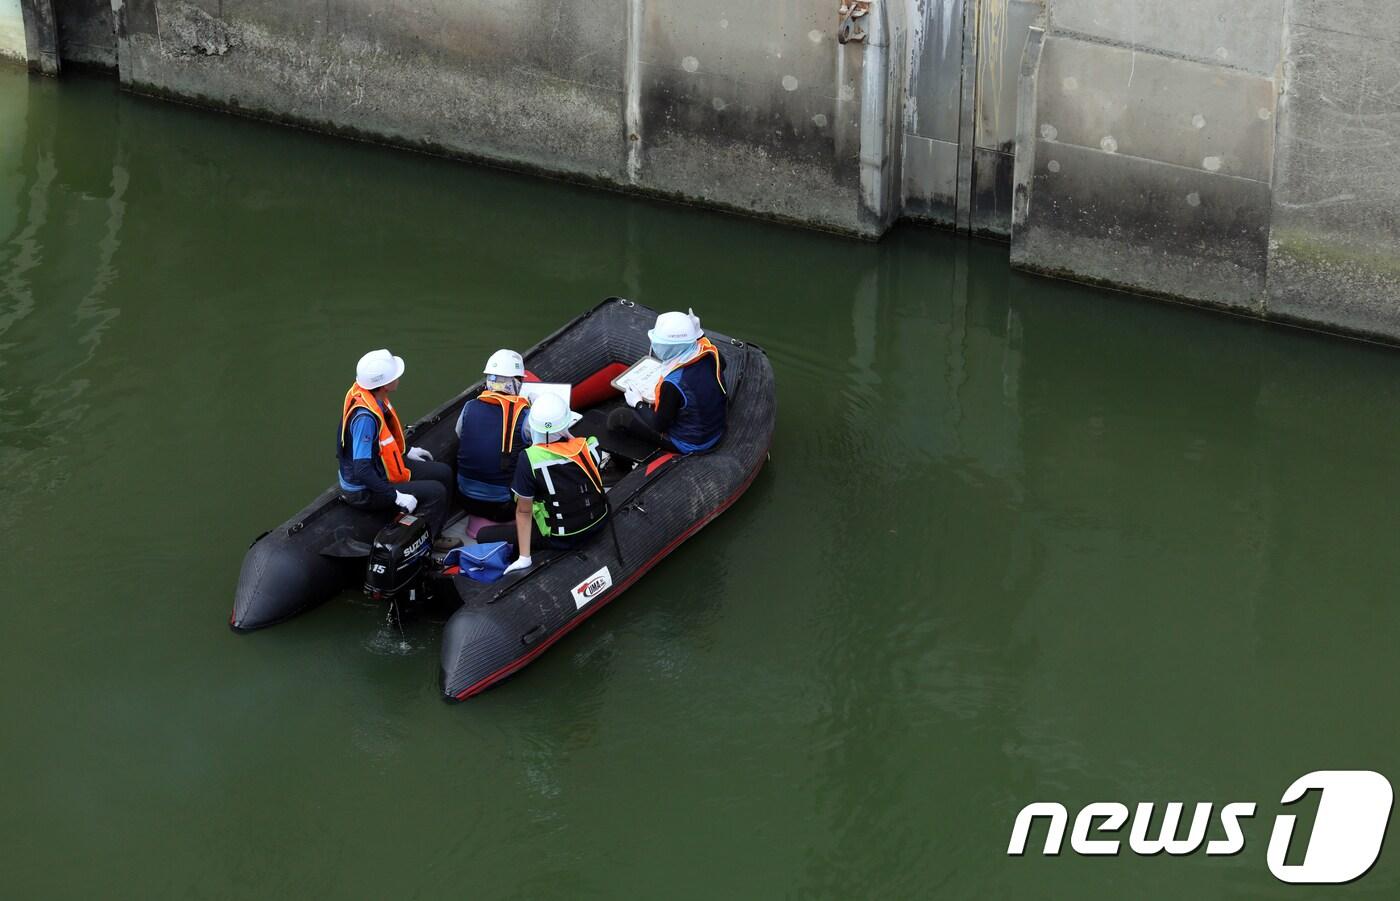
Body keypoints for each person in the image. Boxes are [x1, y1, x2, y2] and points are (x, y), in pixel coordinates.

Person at [477, 393, 610, 575]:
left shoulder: (529, 459)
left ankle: (520, 557)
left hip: (561, 538)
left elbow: (523, 511)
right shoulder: (591, 446)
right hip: (599, 522)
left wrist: (525, 557)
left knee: (483, 535)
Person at [337, 348, 455, 541]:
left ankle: (437, 527)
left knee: (443, 473)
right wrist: (395, 496)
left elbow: (383, 440)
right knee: (436, 492)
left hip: (380, 468)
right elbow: (361, 469)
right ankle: (429, 542)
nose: (399, 378)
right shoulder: (365, 419)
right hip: (363, 490)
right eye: (395, 375)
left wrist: (406, 450)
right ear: (384, 384)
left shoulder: (373, 397)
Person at [607, 309, 727, 455]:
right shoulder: (708, 352)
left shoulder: (672, 384)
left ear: (669, 346)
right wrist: (699, 333)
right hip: (714, 428)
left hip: (692, 443)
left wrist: (638, 403)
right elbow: (723, 364)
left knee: (619, 416)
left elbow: (659, 425)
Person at [455, 349, 532, 521]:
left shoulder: (469, 407)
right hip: (503, 505)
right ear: (514, 382)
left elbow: (461, 434)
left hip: (464, 498)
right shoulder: (525, 416)